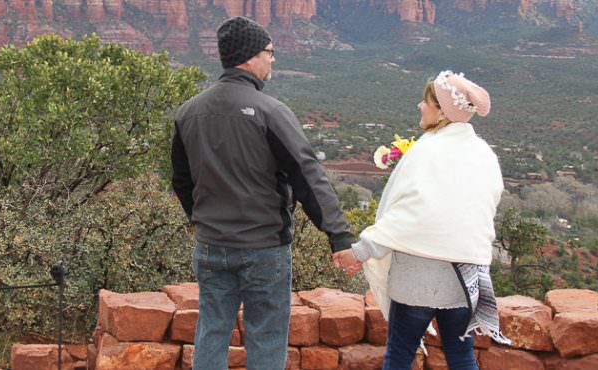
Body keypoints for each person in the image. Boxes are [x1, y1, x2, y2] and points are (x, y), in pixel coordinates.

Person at [170, 16, 360, 370]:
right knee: (267, 338)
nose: (273, 59)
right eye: (270, 52)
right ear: (250, 56)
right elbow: (308, 176)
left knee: (211, 330)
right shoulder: (270, 111)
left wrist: (204, 220)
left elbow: (182, 183)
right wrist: (340, 237)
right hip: (264, 248)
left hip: (211, 245)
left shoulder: (188, 112)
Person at [336, 70, 511, 370]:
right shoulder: (485, 155)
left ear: (442, 110)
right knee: (461, 357)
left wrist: (360, 251)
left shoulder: (426, 152)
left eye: (427, 101)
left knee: (400, 356)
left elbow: (408, 217)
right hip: (467, 277)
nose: (420, 105)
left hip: (418, 279)